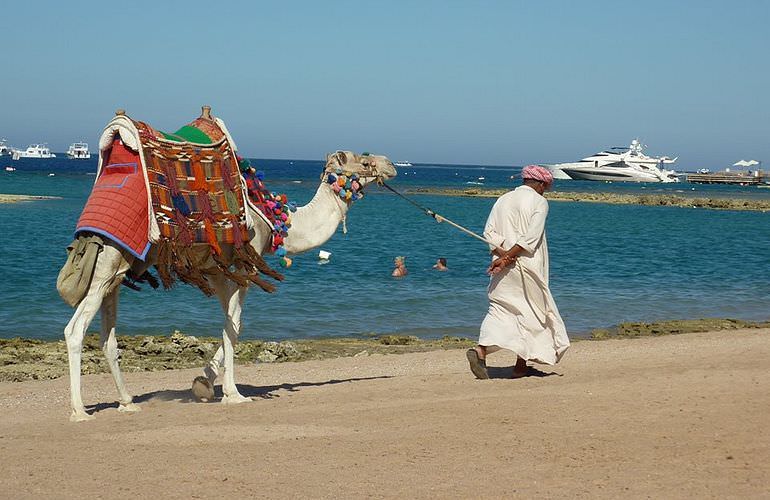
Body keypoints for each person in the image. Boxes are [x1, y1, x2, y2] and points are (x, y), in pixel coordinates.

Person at [466, 165, 570, 379]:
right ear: (540, 184)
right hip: (528, 264)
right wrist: (508, 257)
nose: (545, 190)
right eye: (546, 186)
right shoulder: (540, 201)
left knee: (500, 309)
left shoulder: (503, 199)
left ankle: (481, 351)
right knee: (532, 311)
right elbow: (530, 238)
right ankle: (520, 366)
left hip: (501, 264)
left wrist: (501, 257)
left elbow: (489, 233)